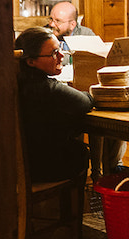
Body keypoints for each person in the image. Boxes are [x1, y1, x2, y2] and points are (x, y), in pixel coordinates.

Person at [14, 27, 95, 183]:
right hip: (43, 168)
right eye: (53, 53)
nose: (61, 55)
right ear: (31, 61)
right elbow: (85, 102)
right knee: (80, 151)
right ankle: (74, 205)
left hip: (20, 166)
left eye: (60, 49)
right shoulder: (44, 88)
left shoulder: (19, 82)